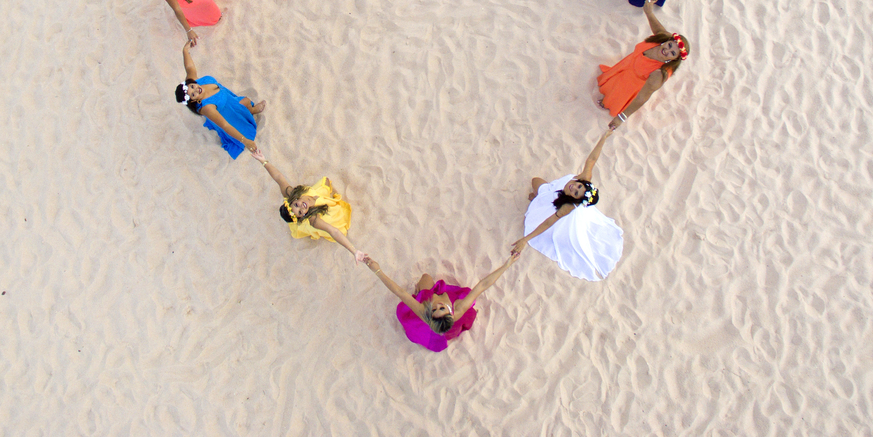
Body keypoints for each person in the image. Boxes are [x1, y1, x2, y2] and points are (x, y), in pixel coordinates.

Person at [510, 130, 623, 281]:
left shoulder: (568, 207)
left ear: (575, 200)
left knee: (535, 184)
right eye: (578, 186)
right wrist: (604, 137)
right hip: (556, 190)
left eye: (576, 192)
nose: (574, 187)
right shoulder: (584, 178)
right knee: (535, 181)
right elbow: (592, 159)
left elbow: (548, 222)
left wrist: (525, 239)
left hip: (556, 203)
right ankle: (538, 196)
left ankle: (538, 198)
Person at [361, 253, 519, 352]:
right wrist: (506, 265)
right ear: (450, 312)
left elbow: (400, 292)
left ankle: (419, 292)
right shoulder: (458, 308)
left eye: (435, 310)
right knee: (435, 282)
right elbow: (483, 286)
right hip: (442, 315)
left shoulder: (424, 311)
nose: (436, 306)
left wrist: (377, 270)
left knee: (426, 278)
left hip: (427, 302)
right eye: (440, 308)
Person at [248, 150, 366, 261]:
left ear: (294, 199)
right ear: (303, 216)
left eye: (296, 205)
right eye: (300, 212)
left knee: (326, 181)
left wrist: (263, 160)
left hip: (315, 196)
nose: (302, 207)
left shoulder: (291, 193)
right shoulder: (314, 220)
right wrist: (354, 251)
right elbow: (334, 232)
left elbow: (278, 177)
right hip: (325, 212)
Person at [597, 0, 691, 127]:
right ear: (668, 40)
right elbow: (653, 21)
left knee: (611, 100)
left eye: (672, 53)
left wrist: (621, 118)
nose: (667, 50)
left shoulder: (659, 74)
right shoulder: (662, 37)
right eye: (669, 45)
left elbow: (642, 98)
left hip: (630, 85)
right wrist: (648, 11)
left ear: (675, 59)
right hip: (626, 66)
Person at [176, 40, 263, 158]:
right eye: (193, 94)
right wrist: (245, 141)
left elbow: (189, 67)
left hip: (229, 99)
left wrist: (185, 50)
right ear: (195, 100)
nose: (196, 89)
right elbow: (225, 125)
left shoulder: (195, 82)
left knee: (246, 101)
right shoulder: (207, 108)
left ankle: (250, 110)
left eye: (192, 87)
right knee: (245, 104)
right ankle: (252, 111)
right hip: (227, 114)